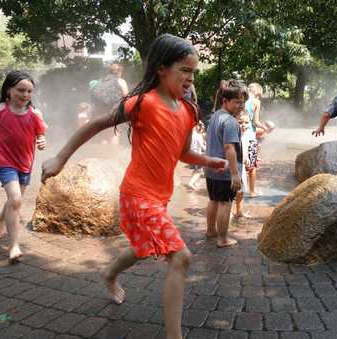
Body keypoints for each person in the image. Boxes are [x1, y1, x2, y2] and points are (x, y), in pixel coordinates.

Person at [41, 34, 226, 339]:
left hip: (159, 196)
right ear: (162, 69)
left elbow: (180, 153)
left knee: (143, 249)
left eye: (193, 72)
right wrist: (60, 157)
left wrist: (207, 161)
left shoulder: (188, 111)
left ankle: (109, 273)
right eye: (185, 70)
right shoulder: (142, 104)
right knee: (181, 257)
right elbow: (96, 124)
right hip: (138, 195)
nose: (190, 79)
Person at [0, 71, 47, 263]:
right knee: (16, 199)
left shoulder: (35, 114)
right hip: (4, 162)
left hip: (25, 163)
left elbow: (40, 133)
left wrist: (42, 140)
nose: (25, 95)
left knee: (13, 201)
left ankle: (1, 216)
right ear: (8, 89)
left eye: (29, 91)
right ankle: (14, 245)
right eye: (20, 90)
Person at [205, 79, 246, 248]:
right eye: (236, 102)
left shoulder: (216, 115)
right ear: (225, 101)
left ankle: (210, 231)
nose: (240, 106)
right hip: (225, 171)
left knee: (214, 200)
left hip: (210, 168)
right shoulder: (230, 121)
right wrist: (235, 174)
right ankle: (223, 239)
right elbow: (229, 148)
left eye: (242, 103)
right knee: (225, 203)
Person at [90, 63, 129, 144]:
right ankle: (112, 154)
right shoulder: (121, 81)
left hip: (99, 112)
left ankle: (103, 155)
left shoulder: (101, 81)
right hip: (113, 112)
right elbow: (126, 97)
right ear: (119, 72)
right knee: (115, 133)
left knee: (103, 134)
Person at [233, 111, 257, 218]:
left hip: (241, 166)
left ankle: (239, 211)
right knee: (231, 191)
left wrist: (247, 157)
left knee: (241, 190)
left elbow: (246, 147)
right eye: (240, 122)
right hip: (233, 166)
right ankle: (228, 212)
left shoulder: (247, 134)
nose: (244, 125)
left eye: (246, 123)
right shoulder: (233, 134)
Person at [187, 121, 206, 190]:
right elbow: (202, 146)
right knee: (199, 171)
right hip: (197, 156)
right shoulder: (199, 135)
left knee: (196, 170)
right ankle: (191, 183)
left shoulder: (192, 134)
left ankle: (194, 182)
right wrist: (208, 149)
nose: (202, 128)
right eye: (202, 127)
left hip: (191, 155)